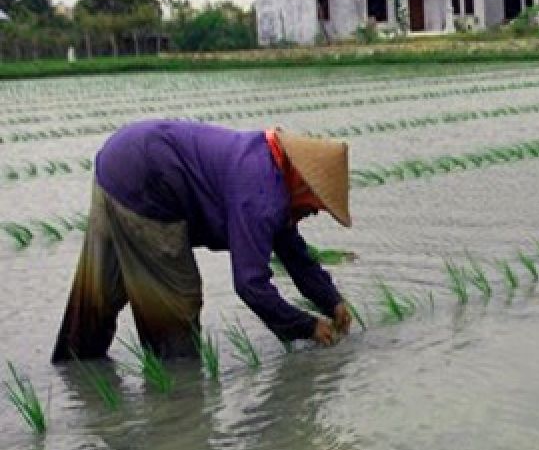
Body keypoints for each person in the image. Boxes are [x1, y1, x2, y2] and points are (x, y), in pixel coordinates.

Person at [51, 120, 354, 362]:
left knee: (98, 293)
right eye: (318, 204)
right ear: (303, 181)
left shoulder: (268, 166)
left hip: (119, 160)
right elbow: (250, 285)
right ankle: (179, 405)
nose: (315, 212)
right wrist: (308, 327)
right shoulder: (262, 196)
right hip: (149, 183)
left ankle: (76, 373)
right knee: (176, 303)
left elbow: (294, 254)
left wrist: (332, 301)